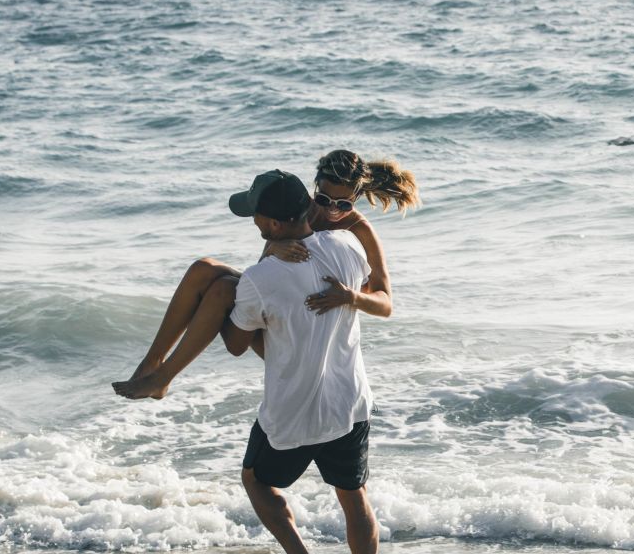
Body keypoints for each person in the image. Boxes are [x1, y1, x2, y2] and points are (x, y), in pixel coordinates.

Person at [215, 169, 387, 554]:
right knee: (354, 498)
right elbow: (376, 295)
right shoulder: (349, 250)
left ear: (270, 225)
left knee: (256, 480)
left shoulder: (258, 277)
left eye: (255, 216)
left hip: (291, 413)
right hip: (347, 405)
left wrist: (224, 298)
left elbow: (235, 343)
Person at [111, 149, 416, 401]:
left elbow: (386, 303)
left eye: (344, 204)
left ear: (357, 197)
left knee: (222, 290)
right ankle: (152, 366)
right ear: (315, 189)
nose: (331, 212)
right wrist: (273, 250)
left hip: (308, 340)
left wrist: (351, 297)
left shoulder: (360, 230)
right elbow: (263, 272)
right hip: (281, 312)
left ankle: (163, 377)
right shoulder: (302, 211)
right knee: (202, 269)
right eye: (323, 200)